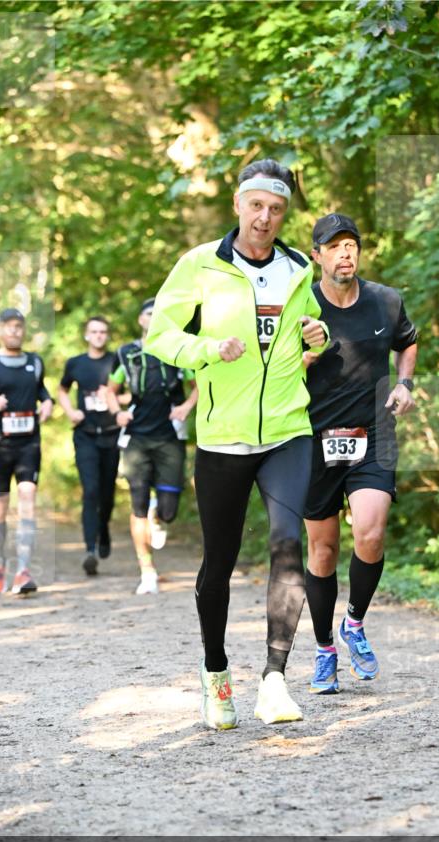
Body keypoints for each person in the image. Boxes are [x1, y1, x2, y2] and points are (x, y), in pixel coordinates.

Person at [145, 158, 329, 730]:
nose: (265, 218)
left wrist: (316, 336)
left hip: (286, 431)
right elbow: (160, 336)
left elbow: (311, 327)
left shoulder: (299, 267)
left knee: (286, 544)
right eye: (257, 206)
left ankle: (274, 680)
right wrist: (205, 350)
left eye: (276, 209)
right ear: (238, 204)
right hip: (223, 437)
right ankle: (216, 673)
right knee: (218, 564)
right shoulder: (200, 264)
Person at [303, 213, 418, 693]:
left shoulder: (386, 301)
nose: (345, 253)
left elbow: (408, 343)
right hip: (311, 439)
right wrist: (304, 355)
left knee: (370, 532)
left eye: (351, 244)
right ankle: (325, 648)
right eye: (335, 246)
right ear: (318, 256)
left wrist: (405, 383)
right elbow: (269, 366)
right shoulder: (299, 305)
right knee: (323, 550)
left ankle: (354, 622)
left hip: (374, 432)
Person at [107, 297, 198, 595]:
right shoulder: (127, 354)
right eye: (149, 313)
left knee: (169, 511)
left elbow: (199, 383)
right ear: (142, 320)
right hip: (136, 438)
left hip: (170, 436)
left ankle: (159, 514)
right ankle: (147, 570)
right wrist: (117, 411)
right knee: (137, 503)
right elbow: (111, 390)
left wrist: (186, 406)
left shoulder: (177, 351)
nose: (153, 317)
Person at [0, 308, 53, 595]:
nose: (15, 331)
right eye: (10, 327)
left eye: (19, 327)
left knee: (27, 498)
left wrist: (49, 403)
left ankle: (23, 570)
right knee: (0, 507)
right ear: (1, 330)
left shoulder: (35, 362)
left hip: (29, 444)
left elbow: (42, 391)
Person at [58, 316, 120, 576]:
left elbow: (128, 392)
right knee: (91, 490)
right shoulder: (75, 363)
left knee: (106, 493)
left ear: (107, 336)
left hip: (112, 433)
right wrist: (71, 411)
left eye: (103, 332)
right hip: (85, 435)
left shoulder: (117, 360)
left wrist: (113, 398)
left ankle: (103, 527)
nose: (98, 336)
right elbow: (62, 390)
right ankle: (89, 550)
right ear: (86, 335)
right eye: (93, 331)